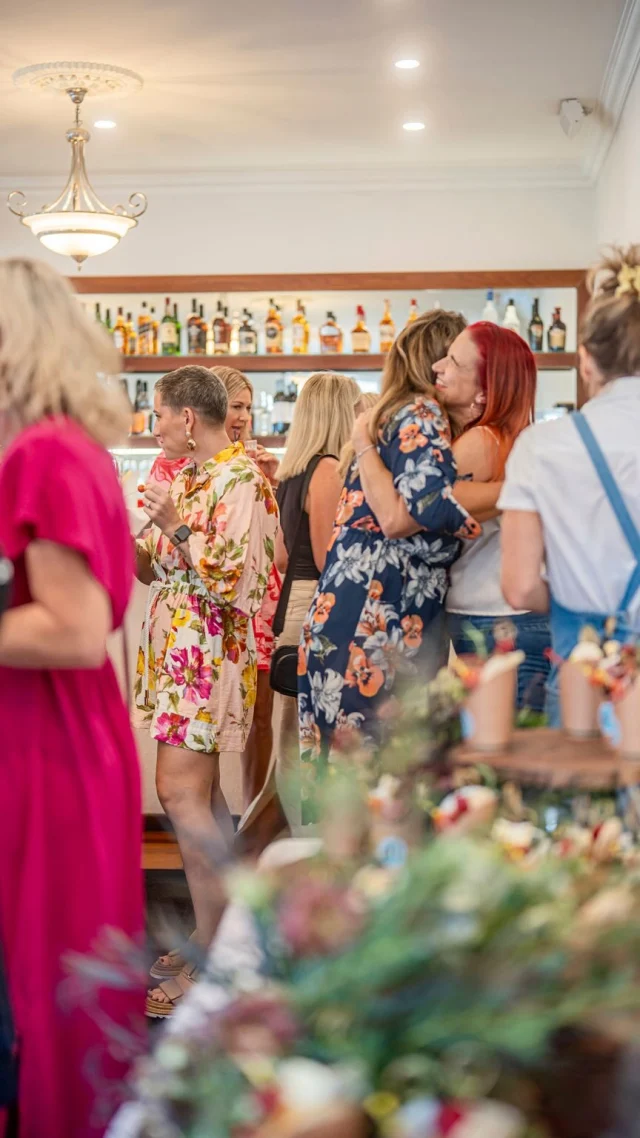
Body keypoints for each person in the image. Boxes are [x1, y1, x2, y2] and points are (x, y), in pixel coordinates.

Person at [0, 258, 144, 1138]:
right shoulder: (65, 446)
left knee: (47, 978)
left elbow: (74, 628)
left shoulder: (42, 453)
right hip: (62, 733)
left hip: (43, 743)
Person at [134, 365, 277, 1013]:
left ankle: (220, 952)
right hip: (179, 650)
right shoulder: (190, 476)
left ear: (188, 418)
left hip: (208, 653)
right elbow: (156, 567)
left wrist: (176, 527)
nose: (155, 427)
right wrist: (130, 531)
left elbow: (236, 581)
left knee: (179, 792)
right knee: (204, 798)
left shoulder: (242, 478)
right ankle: (213, 935)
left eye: (160, 415)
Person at [298, 311, 481, 776]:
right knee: (379, 766)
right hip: (381, 611)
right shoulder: (421, 414)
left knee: (346, 767)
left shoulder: (389, 418)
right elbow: (424, 510)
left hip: (349, 607)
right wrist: (505, 497)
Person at [500, 247, 640, 708]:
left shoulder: (541, 447)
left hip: (585, 672)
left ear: (585, 359)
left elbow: (520, 586)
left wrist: (582, 601)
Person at [433, 322, 551, 711]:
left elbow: (433, 503)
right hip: (518, 615)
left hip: (493, 617)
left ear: (485, 390)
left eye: (453, 361)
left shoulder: (482, 441)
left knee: (499, 741)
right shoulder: (519, 441)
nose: (438, 367)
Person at [210, 365, 282, 817]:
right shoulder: (187, 464)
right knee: (212, 720)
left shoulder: (256, 465)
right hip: (218, 603)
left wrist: (275, 483)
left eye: (248, 408)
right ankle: (213, 819)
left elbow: (277, 544)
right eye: (236, 406)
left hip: (263, 601)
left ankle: (253, 820)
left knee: (260, 718)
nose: (243, 417)